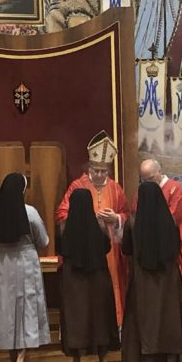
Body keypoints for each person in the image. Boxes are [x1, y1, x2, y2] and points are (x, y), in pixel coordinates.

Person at [56, 131, 128, 325]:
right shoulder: (77, 186)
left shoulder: (116, 188)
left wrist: (116, 218)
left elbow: (126, 213)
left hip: (109, 247)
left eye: (103, 171)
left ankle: (114, 323)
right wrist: (87, 218)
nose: (99, 175)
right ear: (89, 167)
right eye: (96, 170)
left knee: (110, 283)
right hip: (83, 247)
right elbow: (62, 213)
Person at [0, 172, 50, 362]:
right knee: (27, 310)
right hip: (25, 262)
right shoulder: (29, 212)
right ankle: (20, 361)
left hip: (1, 264)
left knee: (6, 311)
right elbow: (43, 240)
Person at [121, 181, 182, 362]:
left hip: (143, 280)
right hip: (169, 278)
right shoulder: (171, 222)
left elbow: (126, 250)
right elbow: (176, 247)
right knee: (170, 318)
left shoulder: (133, 223)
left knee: (148, 320)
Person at [57, 189, 119, 362]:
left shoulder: (63, 228)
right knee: (100, 318)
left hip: (73, 280)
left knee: (75, 318)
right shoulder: (98, 226)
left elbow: (61, 249)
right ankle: (103, 361)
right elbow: (106, 247)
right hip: (98, 277)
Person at [139, 158, 182, 321]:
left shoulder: (175, 189)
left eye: (151, 178)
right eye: (144, 179)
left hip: (172, 250)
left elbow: (173, 220)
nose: (148, 182)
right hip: (149, 250)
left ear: (159, 171)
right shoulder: (143, 190)